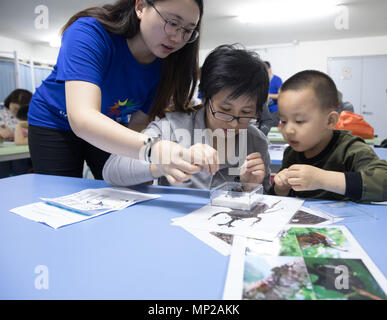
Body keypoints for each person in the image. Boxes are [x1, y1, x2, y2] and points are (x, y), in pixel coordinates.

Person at [27, 0, 217, 180]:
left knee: (123, 187)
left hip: (110, 124)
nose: (177, 37)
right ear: (141, 6)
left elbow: (138, 127)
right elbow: (82, 119)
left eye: (188, 30)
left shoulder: (167, 68)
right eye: (172, 22)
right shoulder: (89, 33)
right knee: (60, 195)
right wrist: (156, 150)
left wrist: (158, 165)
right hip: (54, 121)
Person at [103, 44, 272, 191]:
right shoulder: (172, 127)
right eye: (225, 109)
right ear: (205, 98)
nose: (234, 123)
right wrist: (163, 163)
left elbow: (266, 198)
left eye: (245, 113)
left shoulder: (256, 141)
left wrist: (250, 188)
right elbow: (111, 170)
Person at [271, 70, 387, 202]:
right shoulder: (291, 153)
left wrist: (322, 179)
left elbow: (383, 180)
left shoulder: (349, 148)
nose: (289, 130)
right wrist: (280, 189)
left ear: (330, 121)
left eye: (299, 121)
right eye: (284, 121)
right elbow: (279, 200)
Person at [0, 89, 33, 178]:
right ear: (9, 102)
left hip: (23, 151)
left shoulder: (29, 115)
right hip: (5, 150)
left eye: (19, 109)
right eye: (15, 108)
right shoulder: (2, 113)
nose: (16, 112)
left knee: (20, 168)